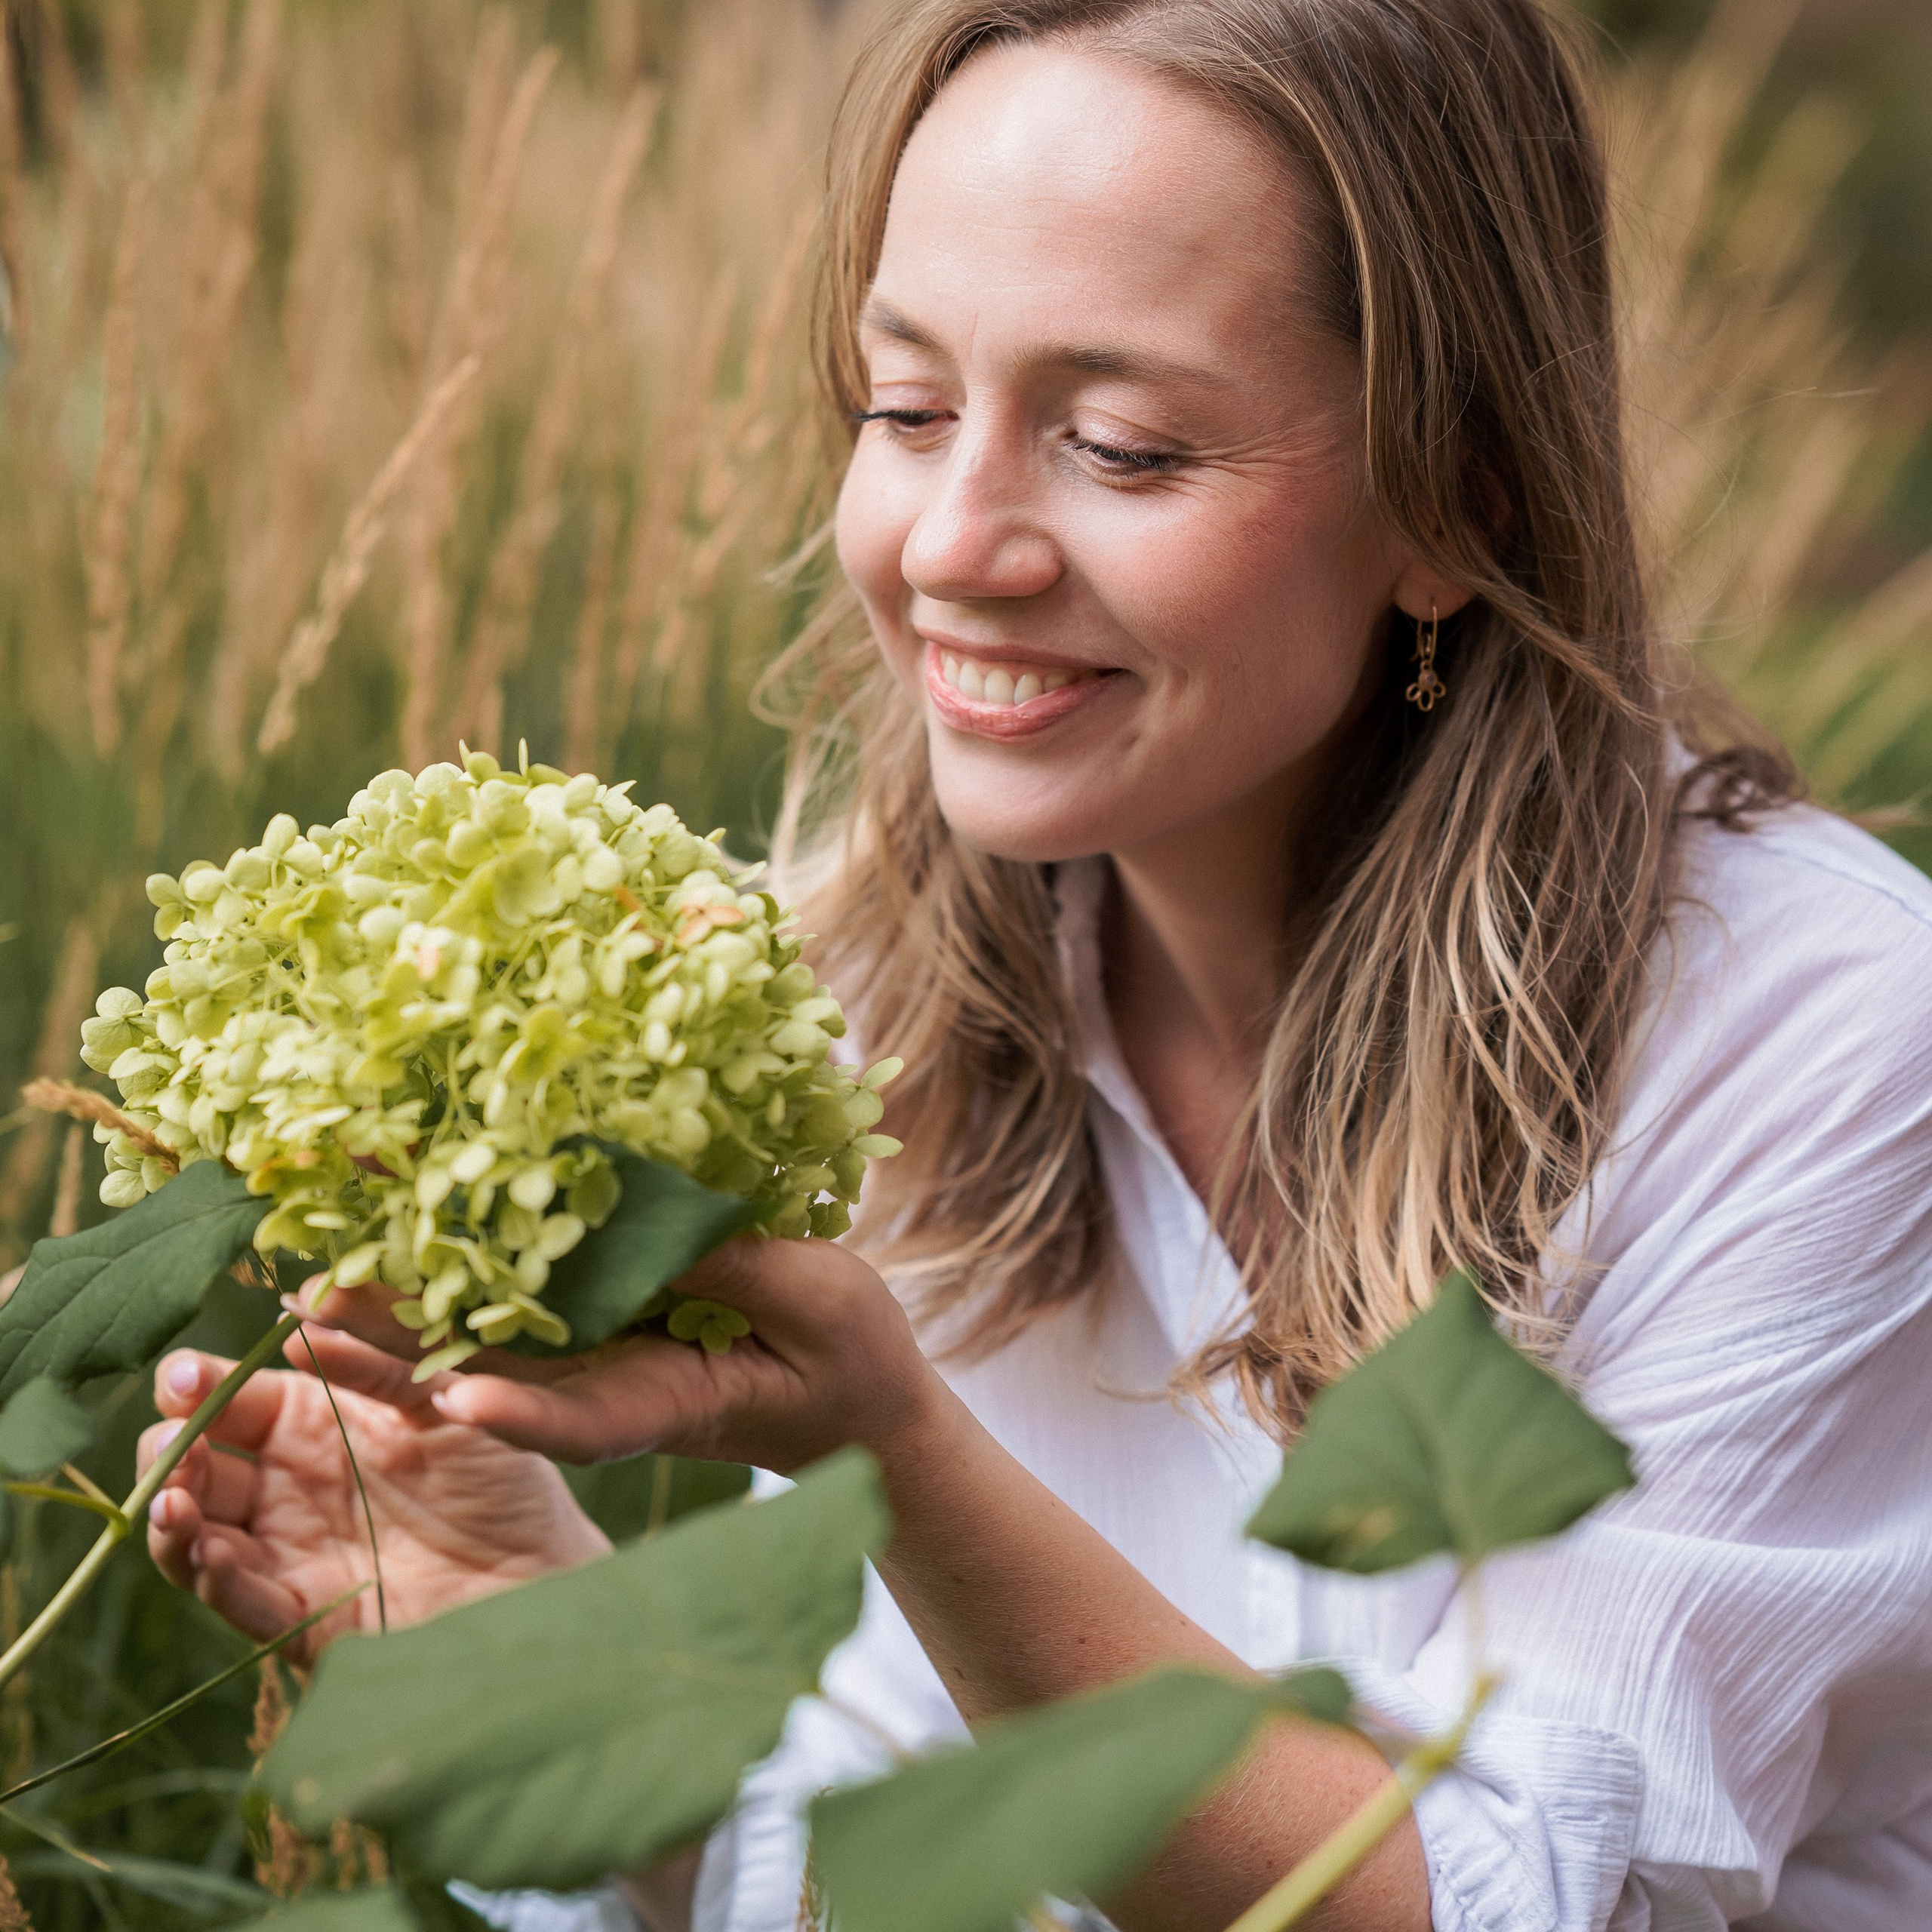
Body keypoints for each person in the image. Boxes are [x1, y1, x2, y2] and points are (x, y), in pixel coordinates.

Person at [137, 2, 1932, 1928]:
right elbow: (910, 1870)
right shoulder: (831, 1012)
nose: (951, 543)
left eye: (1118, 445)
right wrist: (567, 1670)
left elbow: (1500, 1898)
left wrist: (891, 1444)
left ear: (1454, 503)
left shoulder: (1824, 1046)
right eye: (903, 408)